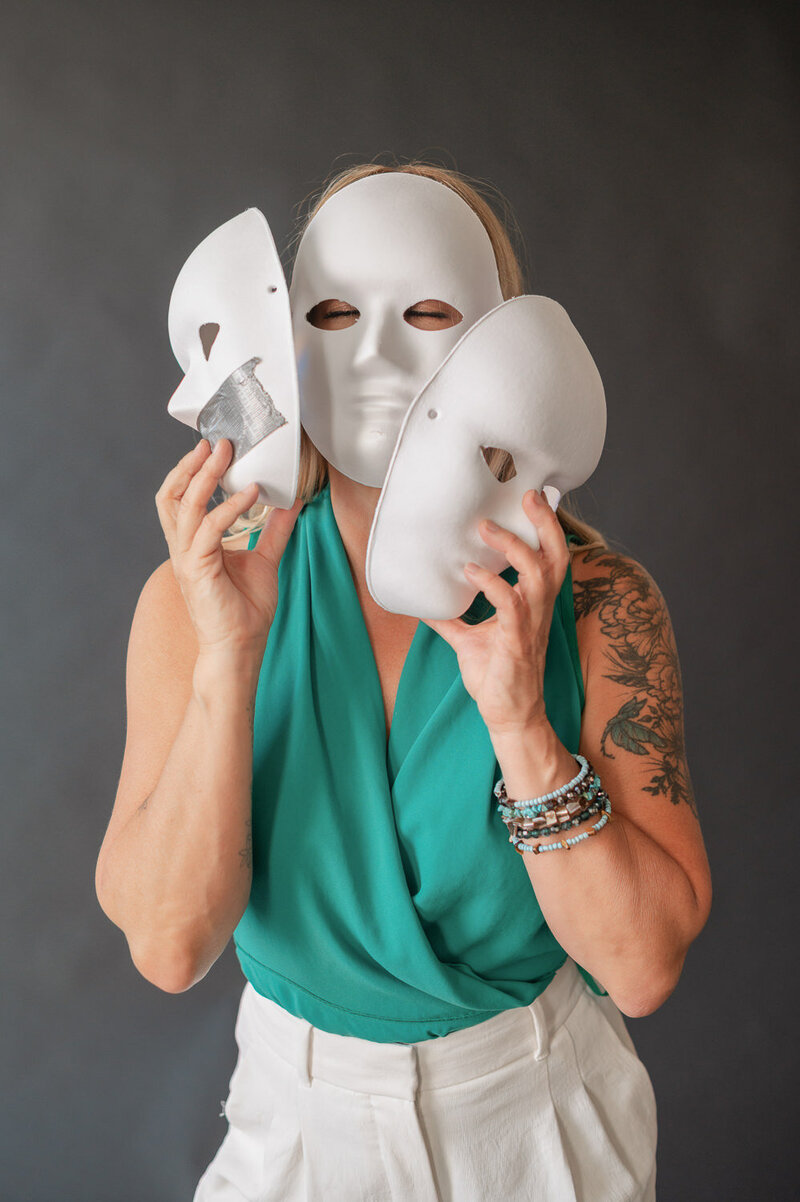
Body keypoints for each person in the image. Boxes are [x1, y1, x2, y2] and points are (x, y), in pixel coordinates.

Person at [95, 160, 712, 1201]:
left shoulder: (601, 601)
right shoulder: (189, 598)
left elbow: (643, 966)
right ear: (282, 335)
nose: (375, 352)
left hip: (540, 1121)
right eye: (332, 312)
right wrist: (229, 654)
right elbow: (168, 943)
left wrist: (519, 720)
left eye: (425, 310)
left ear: (497, 340)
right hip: (294, 1125)